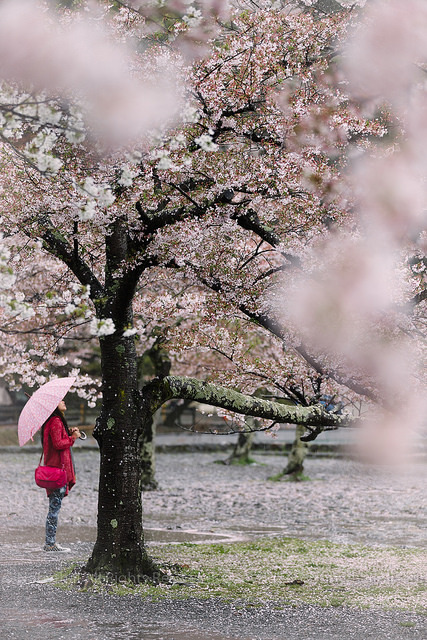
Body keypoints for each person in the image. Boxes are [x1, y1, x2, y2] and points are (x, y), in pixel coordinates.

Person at [40, 398, 81, 552]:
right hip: (58, 472)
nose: (64, 401)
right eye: (60, 400)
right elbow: (58, 444)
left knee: (54, 506)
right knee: (54, 508)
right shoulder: (56, 421)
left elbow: (56, 440)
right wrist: (73, 438)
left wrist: (68, 434)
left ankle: (50, 542)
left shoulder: (52, 421)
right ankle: (50, 543)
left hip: (54, 470)